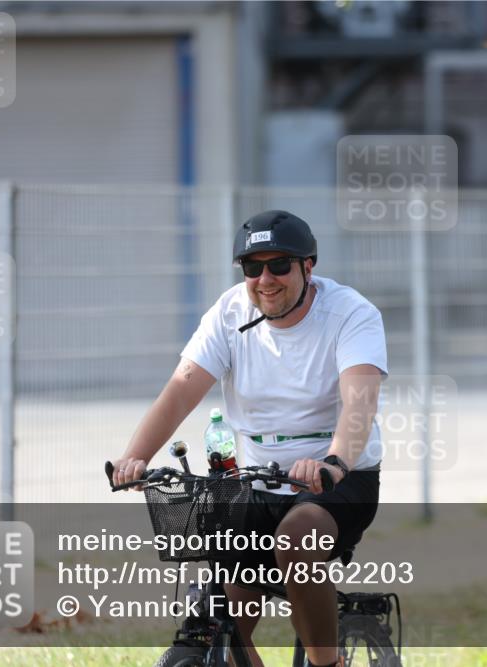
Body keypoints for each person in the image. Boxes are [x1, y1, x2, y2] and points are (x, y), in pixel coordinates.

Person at [111, 210, 387, 667]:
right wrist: (135, 458)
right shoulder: (230, 312)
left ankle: (326, 663)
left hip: (338, 480)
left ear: (308, 266)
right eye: (253, 267)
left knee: (298, 539)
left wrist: (334, 461)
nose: (265, 279)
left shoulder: (351, 314)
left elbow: (360, 404)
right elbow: (181, 389)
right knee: (222, 611)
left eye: (280, 265)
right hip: (256, 481)